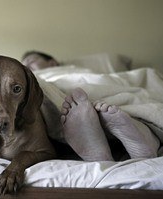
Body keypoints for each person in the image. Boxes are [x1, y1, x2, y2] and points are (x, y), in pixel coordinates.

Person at [21, 50, 160, 161]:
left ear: (52, 63)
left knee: (129, 104)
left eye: (31, 61)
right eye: (22, 64)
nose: (25, 67)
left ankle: (105, 154)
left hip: (91, 84)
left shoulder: (76, 69)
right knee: (124, 112)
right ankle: (145, 141)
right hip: (55, 86)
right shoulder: (31, 78)